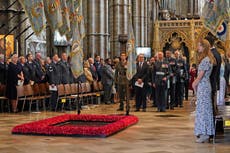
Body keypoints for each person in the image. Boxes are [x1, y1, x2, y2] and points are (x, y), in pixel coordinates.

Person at [192, 39, 216, 143]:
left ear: (204, 47)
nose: (198, 48)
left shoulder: (206, 60)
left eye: (199, 46)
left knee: (203, 110)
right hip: (205, 86)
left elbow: (200, 76)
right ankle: (203, 132)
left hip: (203, 86)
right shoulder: (208, 59)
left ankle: (204, 134)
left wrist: (194, 84)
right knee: (203, 109)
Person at [205, 34, 221, 115]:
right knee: (213, 107)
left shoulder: (212, 54)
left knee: (211, 109)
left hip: (209, 83)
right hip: (213, 82)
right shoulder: (217, 53)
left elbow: (209, 71)